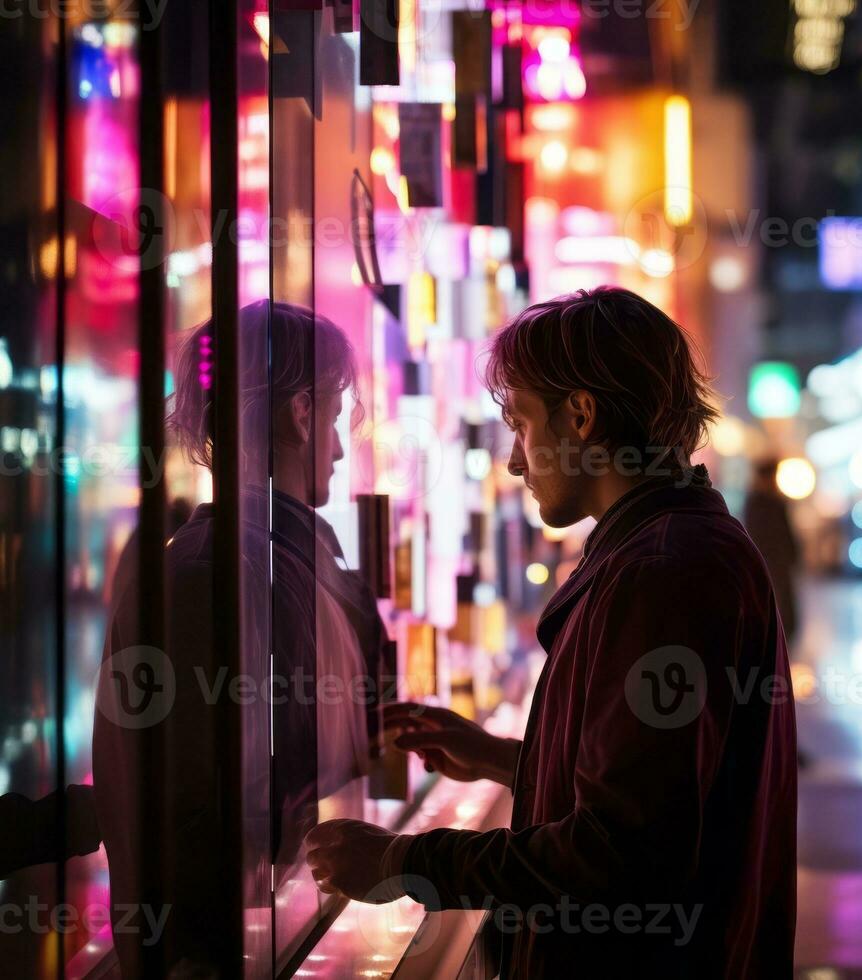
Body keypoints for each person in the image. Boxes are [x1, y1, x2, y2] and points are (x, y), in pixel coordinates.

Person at [306, 286, 798, 978]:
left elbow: (621, 854)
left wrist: (402, 862)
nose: (514, 460)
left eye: (522, 424)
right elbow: (662, 781)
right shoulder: (674, 547)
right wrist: (508, 759)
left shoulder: (662, 573)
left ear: (582, 416)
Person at [93, 301, 391, 975]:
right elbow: (185, 826)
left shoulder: (259, 561)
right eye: (335, 419)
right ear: (300, 412)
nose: (341, 449)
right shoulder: (216, 573)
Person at [743, 457, 803, 641]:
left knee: (779, 601)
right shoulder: (761, 502)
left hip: (774, 560)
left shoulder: (761, 501)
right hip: (770, 560)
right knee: (775, 601)